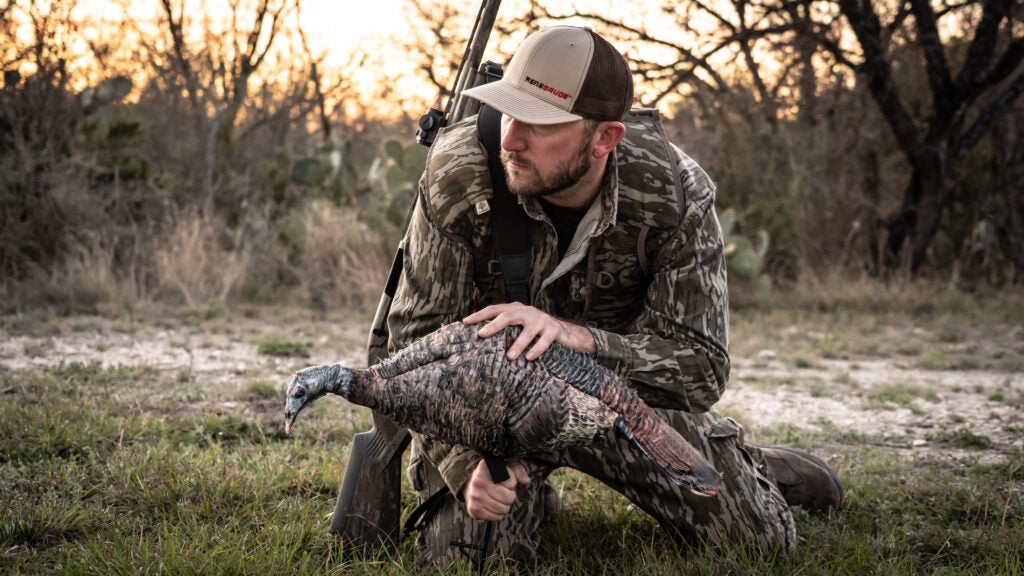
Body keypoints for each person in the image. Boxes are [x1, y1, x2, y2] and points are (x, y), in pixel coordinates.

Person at [386, 25, 843, 565]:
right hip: (493, 413)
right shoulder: (459, 173)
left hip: (620, 406)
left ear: (605, 138)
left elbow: (701, 367)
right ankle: (529, 498)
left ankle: (756, 467)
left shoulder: (673, 192)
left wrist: (580, 342)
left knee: (757, 544)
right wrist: (466, 465)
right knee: (464, 561)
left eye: (538, 123)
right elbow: (414, 343)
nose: (510, 139)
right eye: (507, 112)